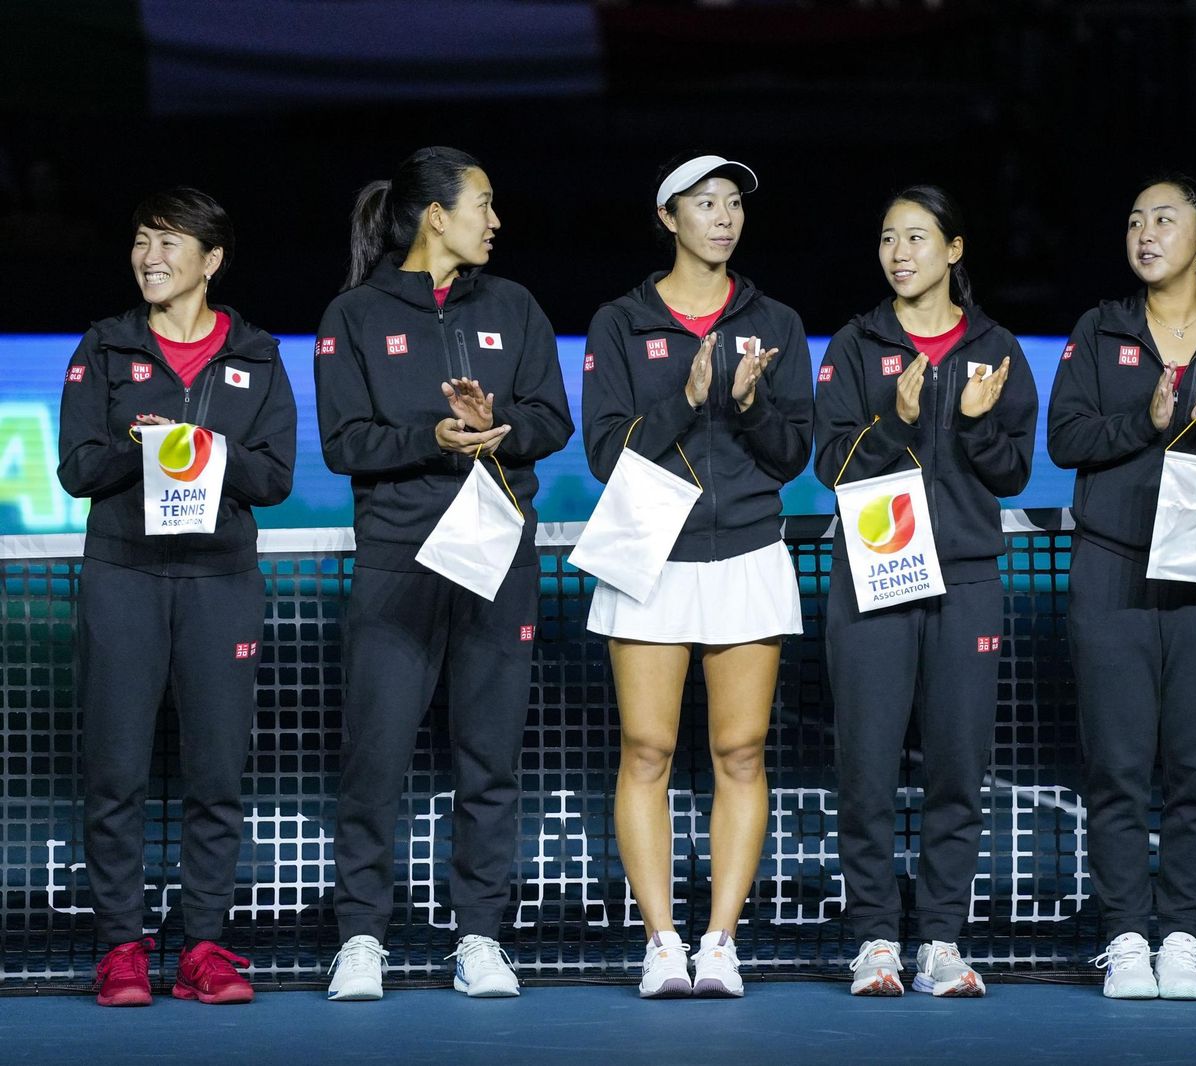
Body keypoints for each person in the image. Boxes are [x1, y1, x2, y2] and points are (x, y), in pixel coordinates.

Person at [316, 146, 574, 1001]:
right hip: (397, 558)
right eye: (484, 205)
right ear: (437, 216)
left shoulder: (516, 304)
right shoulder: (353, 314)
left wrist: (497, 423)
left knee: (489, 758)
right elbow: (346, 443)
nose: (496, 222)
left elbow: (552, 420)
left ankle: (479, 937)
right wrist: (433, 435)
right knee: (376, 758)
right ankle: (360, 936)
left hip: (498, 554)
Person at [1046, 174, 1196, 1000]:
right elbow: (1067, 436)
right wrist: (1147, 421)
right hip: (1110, 567)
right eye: (1135, 219)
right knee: (1116, 767)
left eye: (1166, 219)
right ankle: (1123, 937)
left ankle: (1182, 935)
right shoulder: (1098, 328)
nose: (1146, 233)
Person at [57, 187, 297, 1007]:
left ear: (212, 261)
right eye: (140, 241)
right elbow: (77, 469)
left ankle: (204, 946)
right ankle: (121, 948)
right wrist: (143, 441)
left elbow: (274, 476)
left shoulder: (258, 356)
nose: (150, 257)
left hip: (221, 582)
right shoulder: (106, 345)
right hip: (123, 574)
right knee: (115, 770)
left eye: (168, 243)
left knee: (216, 773)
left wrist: (205, 449)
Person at [581, 152, 813, 998]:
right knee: (647, 748)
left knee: (740, 750)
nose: (724, 217)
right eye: (705, 203)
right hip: (651, 555)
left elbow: (794, 454)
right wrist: (686, 396)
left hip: (748, 549)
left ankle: (719, 941)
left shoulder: (776, 322)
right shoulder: (620, 321)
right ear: (668, 217)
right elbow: (607, 452)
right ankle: (662, 943)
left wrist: (748, 404)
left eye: (734, 205)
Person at [815, 184, 1036, 998]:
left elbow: (1012, 470)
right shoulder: (853, 344)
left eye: (916, 237)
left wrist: (975, 422)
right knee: (867, 767)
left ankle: (940, 938)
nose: (899, 253)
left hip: (968, 580)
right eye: (886, 238)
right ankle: (875, 937)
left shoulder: (995, 347)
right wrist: (896, 424)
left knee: (956, 768)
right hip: (875, 575)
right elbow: (828, 465)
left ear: (954, 249)